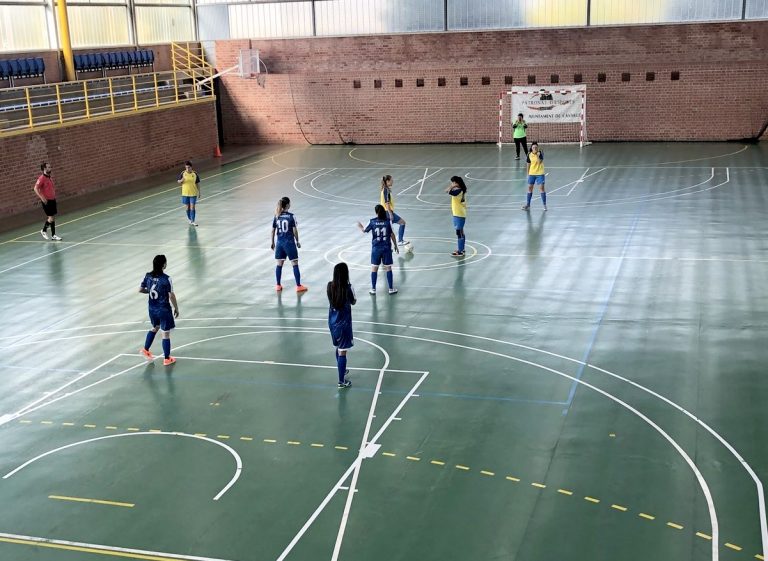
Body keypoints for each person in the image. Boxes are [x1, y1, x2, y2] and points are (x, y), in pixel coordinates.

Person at [139, 254, 179, 366]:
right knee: (165, 334)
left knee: (155, 327)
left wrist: (151, 292)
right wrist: (176, 308)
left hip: (152, 309)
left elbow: (141, 289)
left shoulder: (148, 276)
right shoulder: (167, 279)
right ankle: (167, 358)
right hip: (163, 309)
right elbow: (171, 295)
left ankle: (145, 350)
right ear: (164, 265)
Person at [357, 204, 399, 295]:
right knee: (388, 268)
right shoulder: (388, 222)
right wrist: (395, 245)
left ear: (376, 212)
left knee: (374, 268)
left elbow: (364, 230)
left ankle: (373, 289)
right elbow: (392, 235)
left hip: (376, 249)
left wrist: (360, 226)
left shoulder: (372, 221)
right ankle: (391, 289)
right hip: (386, 248)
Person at [327, 262, 356, 388]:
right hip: (344, 324)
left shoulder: (329, 286)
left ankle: (342, 370)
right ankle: (341, 381)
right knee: (343, 351)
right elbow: (353, 301)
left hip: (332, 322)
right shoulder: (347, 288)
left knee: (338, 347)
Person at [271, 196, 308, 293]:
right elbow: (295, 230)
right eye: (290, 203)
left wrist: (272, 242)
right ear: (287, 205)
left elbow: (273, 230)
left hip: (279, 243)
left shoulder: (277, 216)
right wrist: (297, 241)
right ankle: (299, 286)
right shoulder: (291, 216)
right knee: (294, 263)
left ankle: (278, 285)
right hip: (289, 243)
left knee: (279, 264)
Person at [33, 162, 62, 241]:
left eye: (50, 167)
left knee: (53, 218)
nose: (50, 168)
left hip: (52, 200)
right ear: (44, 169)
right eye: (48, 167)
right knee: (51, 218)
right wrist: (42, 198)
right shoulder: (41, 178)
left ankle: (53, 235)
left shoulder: (49, 177)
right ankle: (44, 230)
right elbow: (35, 188)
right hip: (47, 201)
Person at [380, 175, 407, 245]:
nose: (393, 181)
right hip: (387, 212)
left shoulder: (385, 189)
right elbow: (387, 203)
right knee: (402, 223)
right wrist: (390, 214)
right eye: (391, 180)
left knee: (388, 230)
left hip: (385, 212)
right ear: (387, 181)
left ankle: (387, 245)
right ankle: (400, 240)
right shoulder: (386, 190)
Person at [445, 176, 468, 256]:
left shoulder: (459, 190)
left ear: (456, 183)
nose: (452, 184)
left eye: (453, 182)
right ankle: (462, 249)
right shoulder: (461, 189)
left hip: (459, 214)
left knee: (459, 232)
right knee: (460, 231)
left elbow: (448, 191)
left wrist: (452, 186)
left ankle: (460, 251)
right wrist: (453, 186)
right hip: (458, 213)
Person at [523, 142, 547, 211]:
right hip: (532, 173)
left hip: (540, 173)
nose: (535, 148)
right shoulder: (529, 155)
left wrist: (537, 155)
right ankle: (528, 205)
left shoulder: (540, 153)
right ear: (531, 148)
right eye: (533, 147)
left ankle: (544, 205)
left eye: (536, 147)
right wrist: (528, 174)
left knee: (542, 188)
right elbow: (528, 164)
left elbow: (540, 162)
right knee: (530, 188)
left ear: (538, 148)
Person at [177, 161, 201, 226]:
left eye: (189, 167)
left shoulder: (195, 174)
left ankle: (193, 221)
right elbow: (178, 181)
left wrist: (199, 192)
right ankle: (190, 219)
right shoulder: (183, 173)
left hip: (193, 193)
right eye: (186, 167)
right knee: (187, 208)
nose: (187, 169)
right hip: (185, 194)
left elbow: (198, 183)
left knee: (192, 207)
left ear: (191, 167)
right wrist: (181, 181)